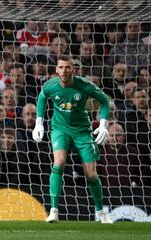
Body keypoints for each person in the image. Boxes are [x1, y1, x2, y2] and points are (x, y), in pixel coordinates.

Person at [32, 55, 113, 224]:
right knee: (59, 162)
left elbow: (104, 102)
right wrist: (38, 124)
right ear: (56, 69)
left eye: (68, 67)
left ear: (73, 69)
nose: (64, 71)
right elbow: (41, 98)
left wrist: (104, 125)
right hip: (60, 129)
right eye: (61, 67)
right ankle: (54, 210)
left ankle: (101, 212)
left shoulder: (84, 85)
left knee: (91, 174)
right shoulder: (49, 86)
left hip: (82, 131)